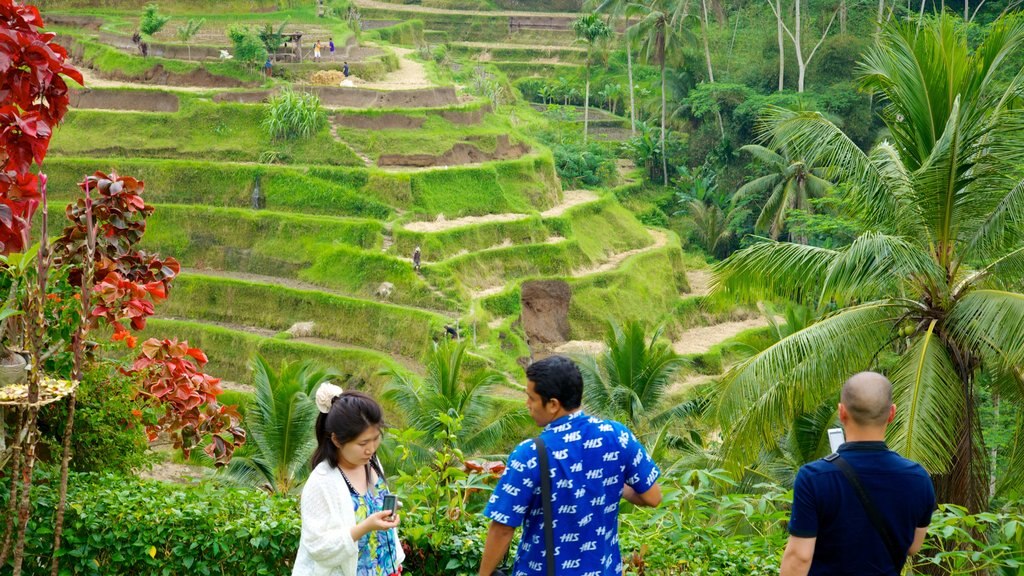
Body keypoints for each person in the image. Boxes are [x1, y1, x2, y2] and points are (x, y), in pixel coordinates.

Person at [478, 355, 662, 576]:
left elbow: (503, 529)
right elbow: (653, 497)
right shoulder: (617, 435)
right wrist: (610, 484)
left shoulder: (530, 454)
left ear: (553, 404)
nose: (527, 404)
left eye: (531, 398)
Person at [779, 372, 936, 576]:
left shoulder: (814, 477)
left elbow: (800, 557)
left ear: (841, 412)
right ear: (892, 413)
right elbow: (913, 546)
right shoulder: (918, 478)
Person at [293, 384, 405, 576]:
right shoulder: (321, 482)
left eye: (376, 438)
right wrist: (364, 527)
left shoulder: (371, 462)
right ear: (336, 440)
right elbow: (317, 548)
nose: (371, 449)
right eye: (362, 443)